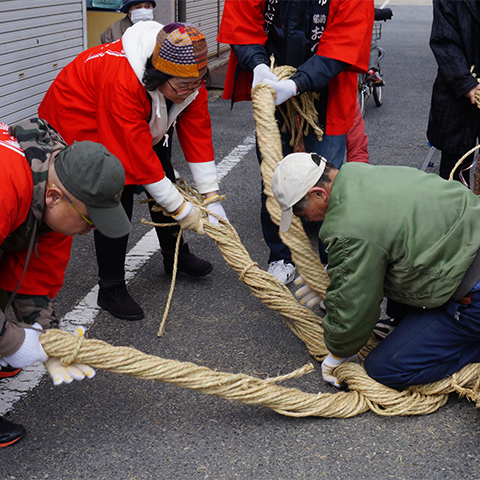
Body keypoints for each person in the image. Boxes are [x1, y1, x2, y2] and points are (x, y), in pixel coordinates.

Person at [39, 22, 228, 321]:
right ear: (156, 76)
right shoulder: (122, 78)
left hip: (134, 117)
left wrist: (211, 197)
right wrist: (184, 211)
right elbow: (138, 160)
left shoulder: (189, 78)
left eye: (197, 84)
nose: (191, 91)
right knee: (114, 193)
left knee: (167, 175)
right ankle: (111, 287)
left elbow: (198, 131)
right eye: (182, 86)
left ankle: (175, 256)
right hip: (79, 117)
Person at [272, 152, 480, 388]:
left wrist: (339, 353)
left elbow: (355, 301)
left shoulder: (349, 226)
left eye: (302, 213)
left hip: (474, 294)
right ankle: (409, 322)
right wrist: (339, 273)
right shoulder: (364, 174)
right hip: (468, 241)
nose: (306, 219)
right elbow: (388, 240)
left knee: (385, 368)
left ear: (319, 194)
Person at [217, 0, 374, 284]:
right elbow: (241, 18)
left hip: (329, 91)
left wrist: (298, 83)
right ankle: (280, 255)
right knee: (276, 178)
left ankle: (333, 262)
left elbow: (346, 39)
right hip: (273, 87)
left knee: (330, 183)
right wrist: (258, 65)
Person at [0, 117, 131, 447]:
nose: (93, 230)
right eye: (90, 220)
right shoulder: (6, 184)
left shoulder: (54, 192)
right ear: (55, 197)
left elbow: (34, 279)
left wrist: (48, 336)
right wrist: (11, 341)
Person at [427, 0, 480, 186]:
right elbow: (443, 41)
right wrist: (467, 84)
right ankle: (454, 214)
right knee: (454, 175)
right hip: (456, 94)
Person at [366, 7, 393, 85]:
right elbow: (371, 12)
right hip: (359, 35)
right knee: (372, 46)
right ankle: (372, 70)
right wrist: (387, 13)